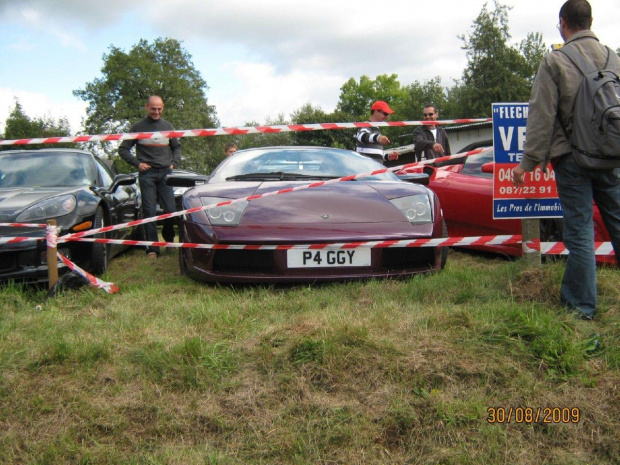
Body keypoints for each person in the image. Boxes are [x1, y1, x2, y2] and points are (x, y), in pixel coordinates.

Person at [512, 0, 620, 320]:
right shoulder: (613, 58)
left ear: (563, 22)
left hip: (572, 159)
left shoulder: (554, 61)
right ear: (590, 20)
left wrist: (527, 164)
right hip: (611, 156)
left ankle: (581, 307)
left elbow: (542, 116)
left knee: (580, 234)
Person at [119, 95, 181, 258]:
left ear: (163, 108)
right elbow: (123, 149)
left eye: (159, 109)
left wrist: (173, 163)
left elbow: (176, 147)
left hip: (166, 173)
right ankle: (152, 249)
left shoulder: (168, 126)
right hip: (147, 174)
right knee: (149, 210)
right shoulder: (138, 127)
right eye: (153, 108)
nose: (156, 112)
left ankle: (169, 241)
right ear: (147, 107)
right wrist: (137, 163)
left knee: (170, 210)